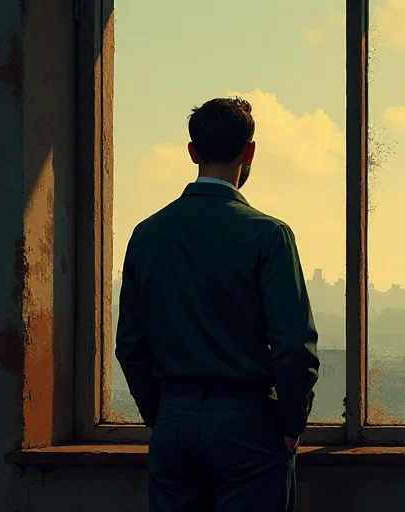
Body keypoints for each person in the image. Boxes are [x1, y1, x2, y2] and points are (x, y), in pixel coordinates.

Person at [115, 97, 319, 512]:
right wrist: (291, 424)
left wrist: (162, 416)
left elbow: (130, 345)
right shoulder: (269, 236)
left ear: (192, 152)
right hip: (246, 421)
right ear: (250, 151)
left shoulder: (147, 235)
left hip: (174, 418)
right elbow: (294, 347)